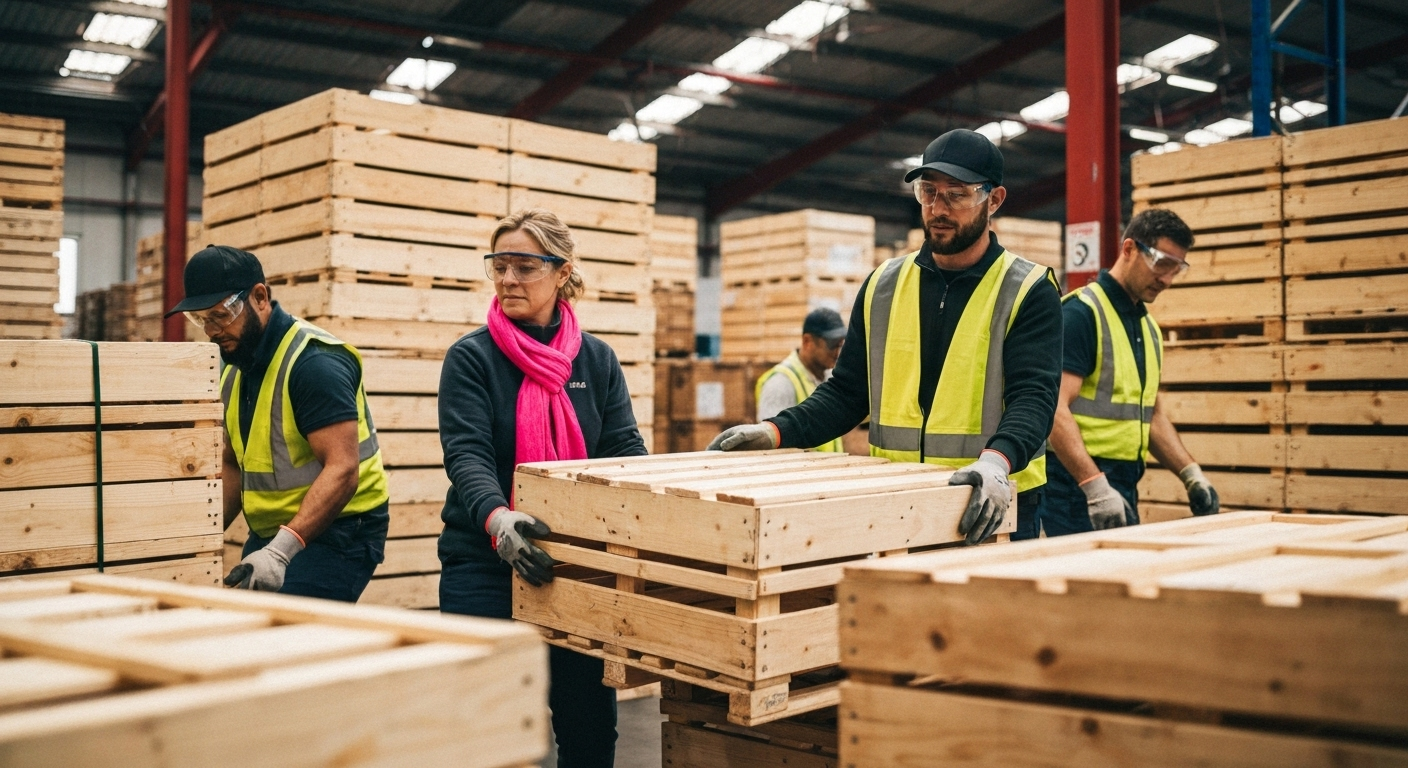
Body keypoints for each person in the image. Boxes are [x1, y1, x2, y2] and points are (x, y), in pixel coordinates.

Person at [708, 129, 1063, 544]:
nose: (938, 209)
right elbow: (846, 393)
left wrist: (996, 462)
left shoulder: (1028, 289)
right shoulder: (884, 285)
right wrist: (775, 431)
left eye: (956, 195)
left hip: (993, 503)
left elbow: (1034, 398)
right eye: (928, 193)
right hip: (900, 504)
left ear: (994, 199)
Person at [436, 209, 645, 767]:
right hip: (483, 563)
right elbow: (467, 452)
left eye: (524, 267)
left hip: (573, 566)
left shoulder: (595, 360)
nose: (508, 280)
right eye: (498, 266)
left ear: (562, 272)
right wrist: (498, 518)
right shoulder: (473, 357)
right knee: (486, 733)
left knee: (588, 731)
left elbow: (624, 449)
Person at [166, 245, 389, 600]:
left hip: (342, 528)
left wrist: (280, 551)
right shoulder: (232, 367)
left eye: (221, 315)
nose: (211, 331)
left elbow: (343, 469)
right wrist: (195, 541)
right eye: (201, 320)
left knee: (284, 636)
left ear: (259, 297)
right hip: (274, 529)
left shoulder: (314, 364)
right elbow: (232, 464)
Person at [1042, 208, 1220, 534]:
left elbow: (1149, 415)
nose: (1167, 279)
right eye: (1162, 263)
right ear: (1129, 249)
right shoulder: (1081, 314)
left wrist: (1190, 474)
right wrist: (1094, 486)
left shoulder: (1148, 328)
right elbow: (1054, 410)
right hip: (1074, 491)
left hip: (1121, 487)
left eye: (1176, 268)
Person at [754, 307, 847, 452]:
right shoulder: (780, 384)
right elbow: (772, 449)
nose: (838, 352)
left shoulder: (830, 377)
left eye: (841, 344)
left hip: (829, 472)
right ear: (807, 341)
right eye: (832, 344)